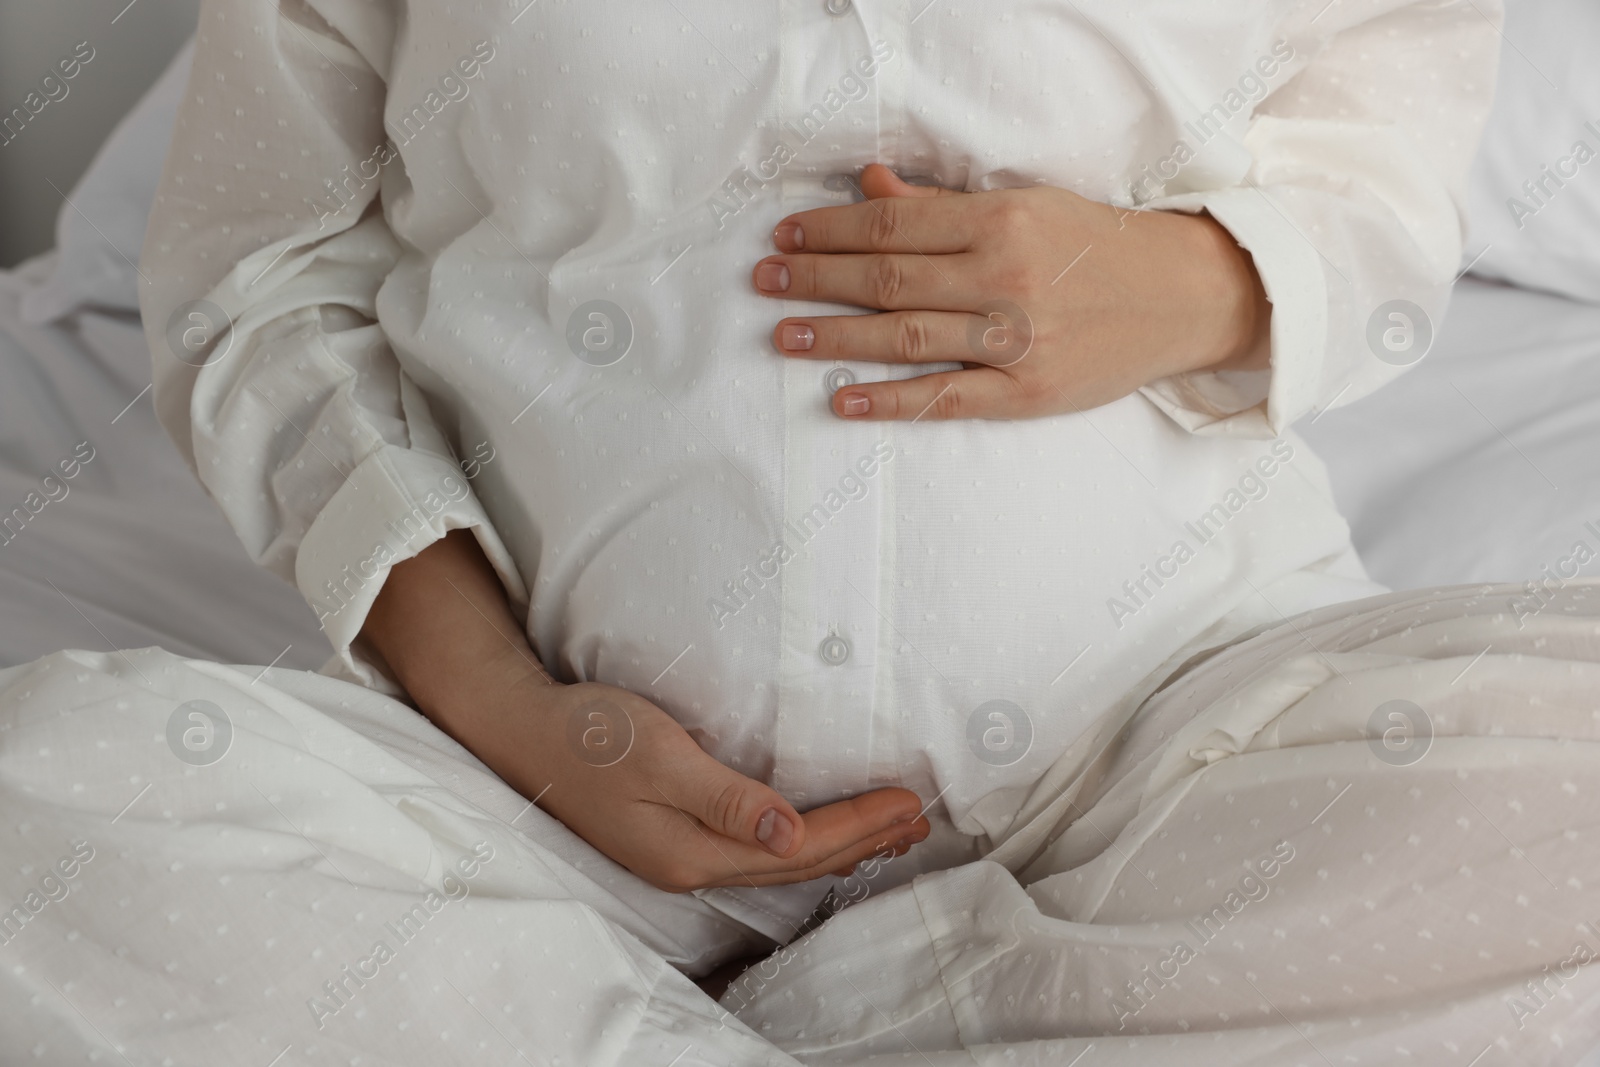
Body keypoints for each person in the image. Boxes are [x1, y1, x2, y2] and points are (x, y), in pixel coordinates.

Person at [139, 0, 1499, 944]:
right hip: (538, 820)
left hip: (1164, 761)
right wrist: (498, 702)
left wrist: (1193, 282)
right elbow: (257, 284)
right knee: (56, 820)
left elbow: (1384, 189)